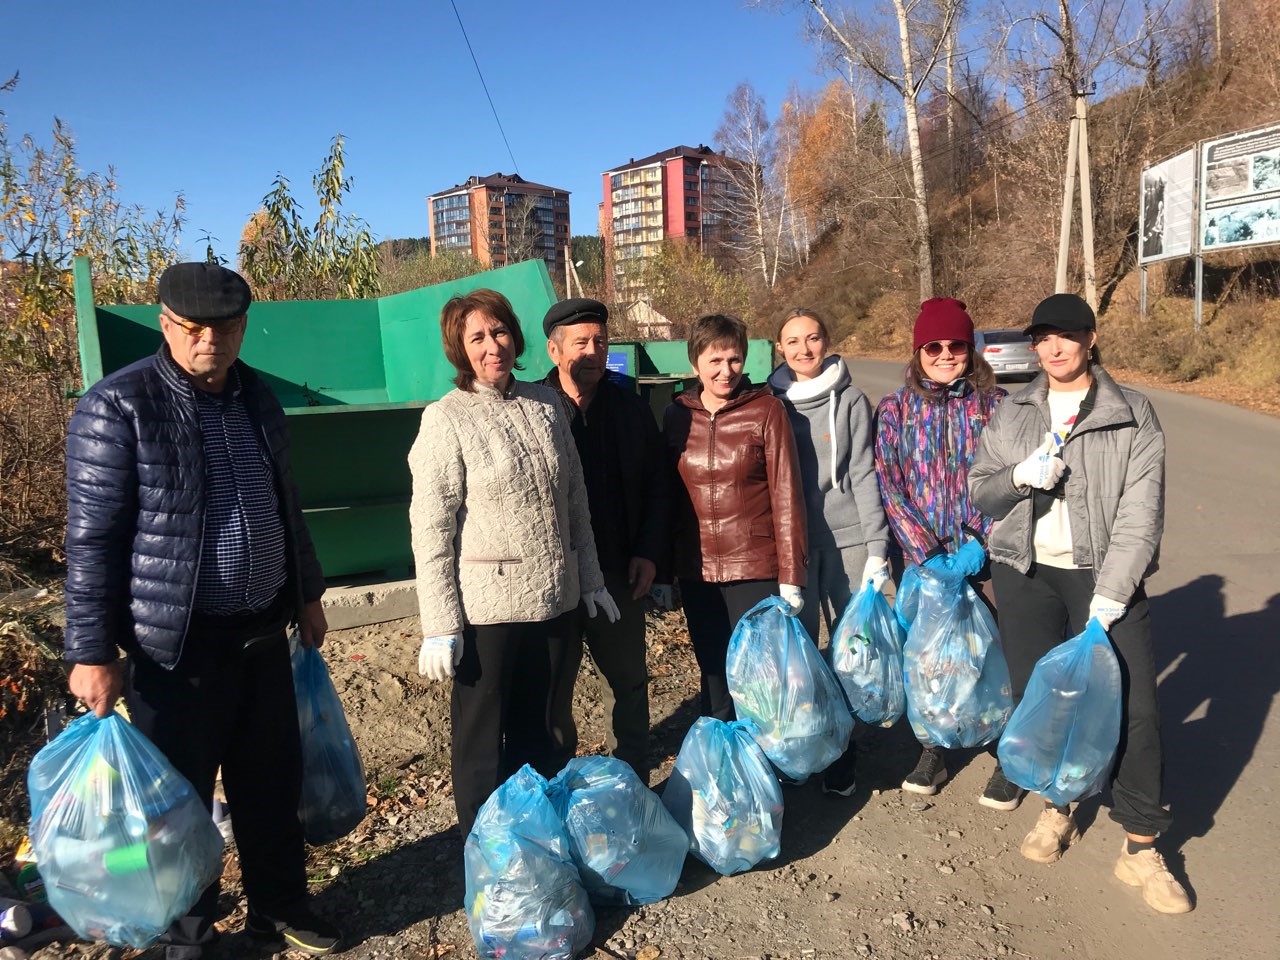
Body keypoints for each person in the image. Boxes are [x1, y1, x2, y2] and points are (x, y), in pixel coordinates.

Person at [63, 262, 340, 958]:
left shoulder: (260, 401)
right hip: (175, 649)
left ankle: (279, 909)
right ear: (166, 324)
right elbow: (91, 541)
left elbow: (287, 505)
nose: (208, 340)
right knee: (177, 804)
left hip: (261, 634)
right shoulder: (119, 407)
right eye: (191, 327)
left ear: (243, 328)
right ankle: (184, 935)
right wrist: (91, 652)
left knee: (270, 786)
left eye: (223, 326)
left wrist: (307, 593)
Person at [969, 293, 1191, 914]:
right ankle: (1056, 808)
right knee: (1044, 703)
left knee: (1137, 710)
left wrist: (1114, 593)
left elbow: (1141, 515)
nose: (1055, 347)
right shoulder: (1013, 412)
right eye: (1044, 337)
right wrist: (1017, 479)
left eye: (1068, 335)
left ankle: (1141, 846)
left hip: (1101, 578)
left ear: (1092, 339)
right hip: (1025, 575)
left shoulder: (1132, 414)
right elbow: (980, 492)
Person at [408, 288, 619, 835]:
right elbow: (431, 527)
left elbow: (575, 502)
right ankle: (490, 851)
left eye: (499, 332)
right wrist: (439, 625)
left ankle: (542, 834)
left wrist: (591, 578)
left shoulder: (546, 406)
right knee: (482, 739)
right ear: (460, 348)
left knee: (546, 728)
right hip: (487, 613)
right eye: (476, 337)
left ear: (516, 337)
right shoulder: (446, 418)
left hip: (556, 598)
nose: (491, 346)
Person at [873, 297, 1011, 804]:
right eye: (935, 346)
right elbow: (888, 481)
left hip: (983, 556)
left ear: (971, 350)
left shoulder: (997, 407)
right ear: (918, 351)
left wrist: (980, 537)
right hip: (921, 560)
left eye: (957, 345)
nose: (947, 354)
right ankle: (933, 747)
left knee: (992, 652)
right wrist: (922, 550)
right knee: (928, 658)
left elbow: (1009, 480)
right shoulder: (894, 410)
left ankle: (1004, 750)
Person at [541, 298, 671, 784]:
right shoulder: (534, 408)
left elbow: (660, 485)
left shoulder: (630, 408)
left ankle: (634, 780)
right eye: (581, 343)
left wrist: (649, 553)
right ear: (554, 351)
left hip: (619, 571)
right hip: (554, 579)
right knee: (554, 691)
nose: (593, 352)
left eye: (600, 341)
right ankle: (557, 785)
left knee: (628, 683)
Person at [768, 308, 891, 797]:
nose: (804, 350)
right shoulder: (770, 403)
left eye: (813, 338)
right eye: (793, 341)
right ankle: (807, 745)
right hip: (795, 544)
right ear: (780, 349)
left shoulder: (852, 400)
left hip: (851, 540)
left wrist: (878, 546)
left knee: (851, 650)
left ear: (826, 341)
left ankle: (844, 751)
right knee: (800, 655)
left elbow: (862, 473)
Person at [663, 313, 807, 722]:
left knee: (760, 679)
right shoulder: (677, 416)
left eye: (734, 360)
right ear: (695, 364)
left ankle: (765, 767)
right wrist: (663, 571)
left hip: (754, 568)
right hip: (698, 570)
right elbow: (668, 496)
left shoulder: (766, 411)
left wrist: (791, 575)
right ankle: (724, 770)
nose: (726, 371)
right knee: (713, 677)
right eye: (715, 360)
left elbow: (786, 494)